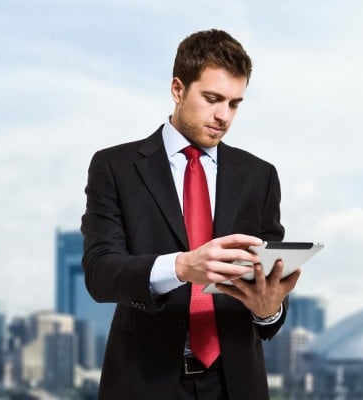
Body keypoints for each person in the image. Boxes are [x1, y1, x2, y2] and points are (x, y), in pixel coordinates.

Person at [81, 29, 300, 400]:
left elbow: (269, 282)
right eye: (212, 99)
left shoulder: (259, 176)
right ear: (178, 89)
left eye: (234, 104)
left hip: (236, 384)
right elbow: (100, 273)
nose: (223, 116)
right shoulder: (114, 167)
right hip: (145, 383)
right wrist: (182, 267)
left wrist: (269, 309)